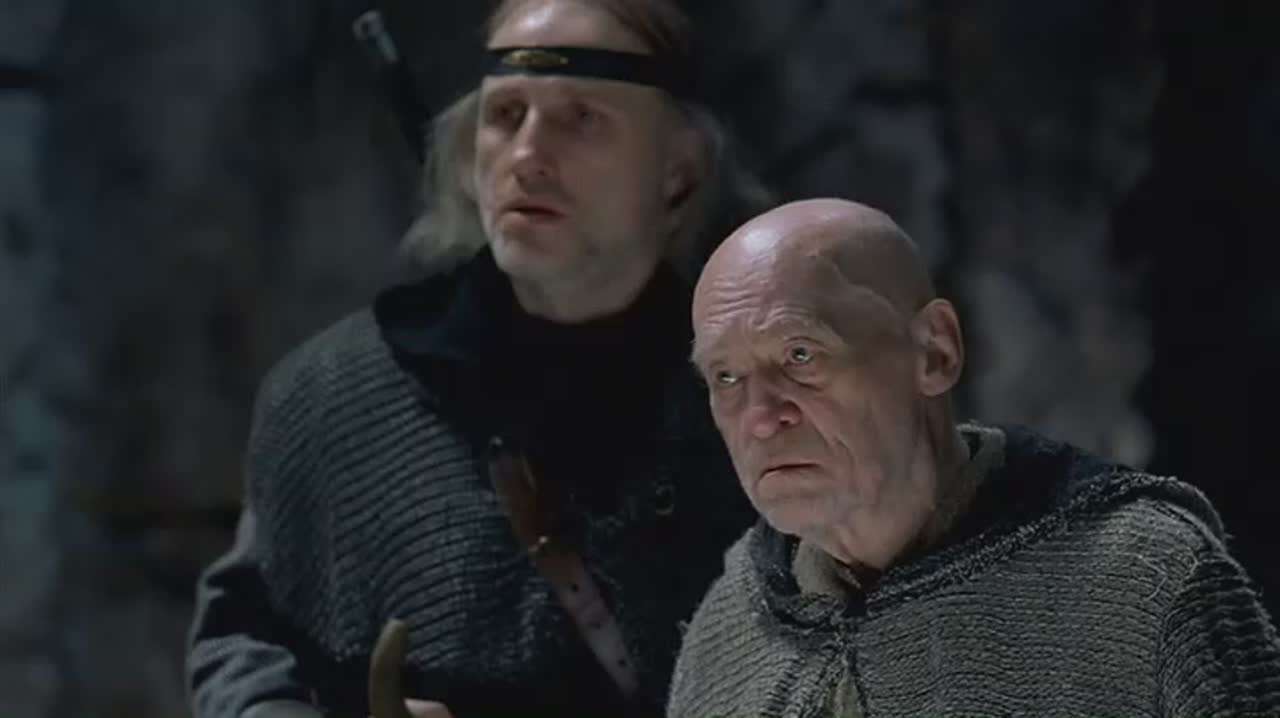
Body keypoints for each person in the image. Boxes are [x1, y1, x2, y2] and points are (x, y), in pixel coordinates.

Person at [185, 1, 771, 717]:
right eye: (505, 116)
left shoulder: (759, 399)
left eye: (582, 118)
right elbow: (247, 641)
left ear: (678, 170)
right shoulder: (338, 392)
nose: (527, 155)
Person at [669, 197, 1280, 717]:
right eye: (726, 377)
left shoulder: (1143, 580)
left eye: (800, 355)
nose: (759, 415)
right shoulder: (726, 636)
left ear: (935, 352)